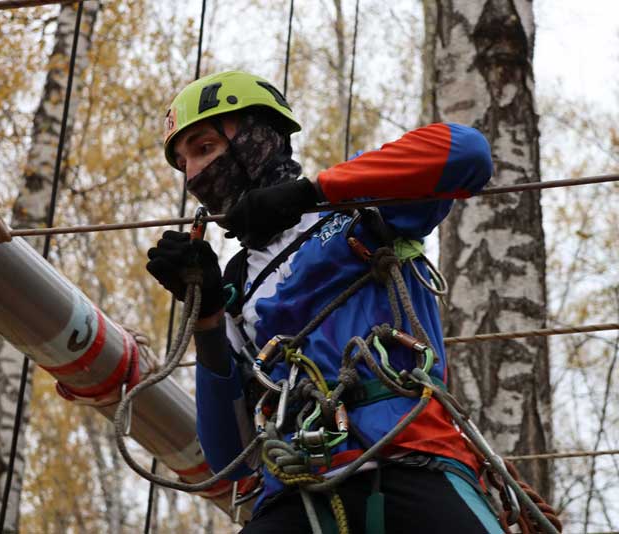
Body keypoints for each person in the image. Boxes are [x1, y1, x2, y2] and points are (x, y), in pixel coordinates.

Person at [147, 70, 501, 533]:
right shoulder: (234, 286)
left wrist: (313, 192)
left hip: (412, 457)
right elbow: (231, 459)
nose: (193, 173)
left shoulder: (356, 205)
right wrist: (209, 316)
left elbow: (467, 153)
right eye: (184, 161)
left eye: (204, 148)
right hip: (298, 490)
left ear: (260, 137)